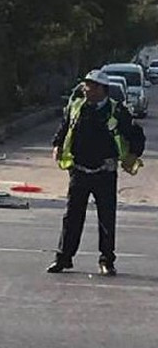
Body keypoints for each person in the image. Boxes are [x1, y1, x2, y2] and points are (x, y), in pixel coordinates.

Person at [48, 70, 145, 276]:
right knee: (72, 217)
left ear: (101, 89)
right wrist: (57, 145)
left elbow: (136, 134)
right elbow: (64, 128)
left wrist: (134, 153)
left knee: (106, 218)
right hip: (79, 171)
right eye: (85, 85)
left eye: (90, 86)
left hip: (105, 172)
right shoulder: (76, 107)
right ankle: (64, 257)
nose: (86, 89)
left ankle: (106, 261)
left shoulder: (117, 112)